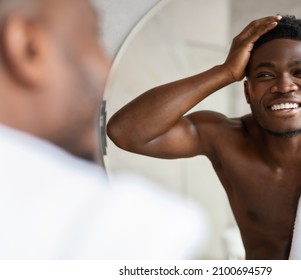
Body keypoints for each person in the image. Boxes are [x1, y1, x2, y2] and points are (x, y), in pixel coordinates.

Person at [107, 15, 301, 259]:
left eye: (300, 72)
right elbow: (126, 132)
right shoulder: (224, 139)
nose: (284, 86)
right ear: (247, 91)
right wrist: (224, 71)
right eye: (266, 75)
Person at [0, 0, 207, 259]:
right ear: (29, 47)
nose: (107, 69)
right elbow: (125, 131)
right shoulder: (107, 234)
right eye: (92, 33)